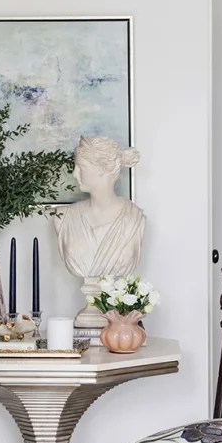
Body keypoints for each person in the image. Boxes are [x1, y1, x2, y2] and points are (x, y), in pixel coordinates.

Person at [55, 137, 146, 325]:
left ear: (103, 169)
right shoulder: (63, 218)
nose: (74, 173)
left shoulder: (134, 219)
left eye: (81, 167)